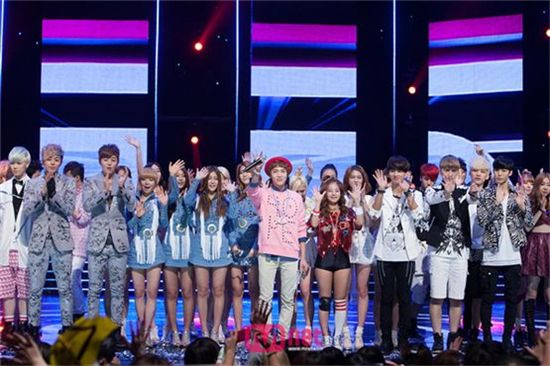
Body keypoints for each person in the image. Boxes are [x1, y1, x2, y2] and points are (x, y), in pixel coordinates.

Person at [247, 156, 309, 338]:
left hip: (291, 255)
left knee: (288, 299)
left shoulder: (296, 197)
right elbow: (251, 191)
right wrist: (255, 172)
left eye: (282, 171)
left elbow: (301, 228)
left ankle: (280, 337)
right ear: (270, 175)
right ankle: (265, 337)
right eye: (275, 171)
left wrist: (303, 257)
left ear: (287, 173)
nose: (279, 174)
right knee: (265, 299)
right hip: (267, 253)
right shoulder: (263, 193)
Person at [477, 156, 533, 350]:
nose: (499, 173)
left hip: (513, 254)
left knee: (511, 299)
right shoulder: (486, 194)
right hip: (491, 255)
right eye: (497, 170)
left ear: (510, 173)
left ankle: (507, 338)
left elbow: (528, 224)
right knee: (488, 298)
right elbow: (482, 221)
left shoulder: (518, 193)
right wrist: (495, 204)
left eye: (503, 170)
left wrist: (522, 206)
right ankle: (487, 339)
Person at [370, 156, 422, 354]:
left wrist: (409, 194)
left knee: (404, 298)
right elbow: (374, 216)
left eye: (400, 171)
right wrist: (381, 192)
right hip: (385, 254)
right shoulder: (382, 193)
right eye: (393, 171)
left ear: (406, 173)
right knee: (386, 297)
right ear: (388, 173)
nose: (396, 174)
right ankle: (385, 339)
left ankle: (403, 338)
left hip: (407, 254)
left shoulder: (415, 194)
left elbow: (419, 217)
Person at [23, 144, 76, 338]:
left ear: (61, 161)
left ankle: (67, 325)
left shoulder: (69, 182)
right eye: (48, 159)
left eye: (56, 159)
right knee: (35, 287)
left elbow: (70, 209)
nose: (52, 163)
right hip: (39, 240)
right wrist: (41, 194)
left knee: (64, 287)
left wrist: (54, 195)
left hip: (61, 240)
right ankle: (33, 325)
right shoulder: (33, 183)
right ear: (43, 161)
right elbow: (28, 209)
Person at [83, 145, 135, 335]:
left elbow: (132, 205)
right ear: (100, 161)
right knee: (94, 288)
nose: (109, 163)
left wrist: (121, 188)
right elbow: (87, 206)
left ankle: (115, 331)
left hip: (118, 242)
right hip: (97, 241)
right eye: (106, 160)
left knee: (117, 289)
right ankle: (93, 330)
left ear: (117, 161)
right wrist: (104, 192)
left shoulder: (125, 181)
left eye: (113, 160)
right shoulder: (91, 181)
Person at [310, 178, 364, 349]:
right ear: (325, 193)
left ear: (341, 193)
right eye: (330, 190)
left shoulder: (347, 212)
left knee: (341, 300)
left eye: (337, 190)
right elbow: (313, 224)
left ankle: (338, 336)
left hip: (342, 258)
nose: (333, 193)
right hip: (324, 258)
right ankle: (326, 337)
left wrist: (357, 202)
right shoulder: (321, 211)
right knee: (325, 300)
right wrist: (317, 204)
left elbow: (360, 224)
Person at [425, 155, 471, 352]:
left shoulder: (465, 192)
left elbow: (476, 196)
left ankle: (453, 335)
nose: (450, 173)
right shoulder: (432, 191)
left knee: (456, 298)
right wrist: (447, 193)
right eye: (446, 170)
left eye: (453, 170)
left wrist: (458, 191)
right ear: (442, 172)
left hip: (460, 253)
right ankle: (437, 336)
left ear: (459, 172)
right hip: (439, 253)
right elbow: (432, 200)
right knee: (436, 296)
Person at [186, 166, 232, 343]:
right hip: (200, 251)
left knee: (219, 290)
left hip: (221, 250)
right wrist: (196, 180)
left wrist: (233, 194)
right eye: (210, 178)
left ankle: (216, 328)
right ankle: (204, 329)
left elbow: (234, 216)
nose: (212, 181)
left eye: (216, 178)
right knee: (203, 291)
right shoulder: (197, 199)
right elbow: (187, 202)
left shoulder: (226, 201)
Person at [128, 167, 168, 345]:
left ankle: (150, 328)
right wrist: (137, 216)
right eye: (144, 179)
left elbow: (164, 224)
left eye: (150, 180)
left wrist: (165, 206)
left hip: (154, 252)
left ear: (155, 182)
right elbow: (129, 224)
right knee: (138, 293)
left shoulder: (158, 200)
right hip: (136, 250)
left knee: (152, 293)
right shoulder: (134, 199)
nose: (147, 183)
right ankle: (142, 328)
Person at [0, 147, 32, 337]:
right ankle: (10, 328)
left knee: (24, 288)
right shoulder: (2, 189)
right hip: (5, 245)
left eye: (19, 163)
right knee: (7, 288)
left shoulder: (35, 187)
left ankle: (25, 326)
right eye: (12, 163)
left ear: (26, 164)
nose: (15, 166)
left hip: (25, 245)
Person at [162, 160, 194, 346]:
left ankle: (187, 331)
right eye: (177, 176)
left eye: (182, 176)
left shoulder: (192, 198)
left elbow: (189, 202)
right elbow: (173, 197)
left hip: (189, 252)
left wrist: (194, 182)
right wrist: (171, 177)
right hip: (170, 251)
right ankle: (174, 331)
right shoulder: (168, 197)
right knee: (172, 293)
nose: (180, 179)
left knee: (189, 292)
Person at [522, 172, 550, 346]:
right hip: (534, 245)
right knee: (532, 288)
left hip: (549, 244)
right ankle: (531, 333)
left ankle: (549, 330)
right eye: (543, 184)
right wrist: (540, 209)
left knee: (549, 290)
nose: (546, 187)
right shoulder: (530, 203)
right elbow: (527, 226)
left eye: (549, 184)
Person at [63, 161, 90, 322]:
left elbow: (85, 218)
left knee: (73, 279)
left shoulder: (87, 194)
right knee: (66, 282)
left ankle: (79, 312)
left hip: (79, 243)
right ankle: (69, 318)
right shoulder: (65, 194)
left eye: (68, 178)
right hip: (64, 244)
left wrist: (74, 212)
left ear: (77, 178)